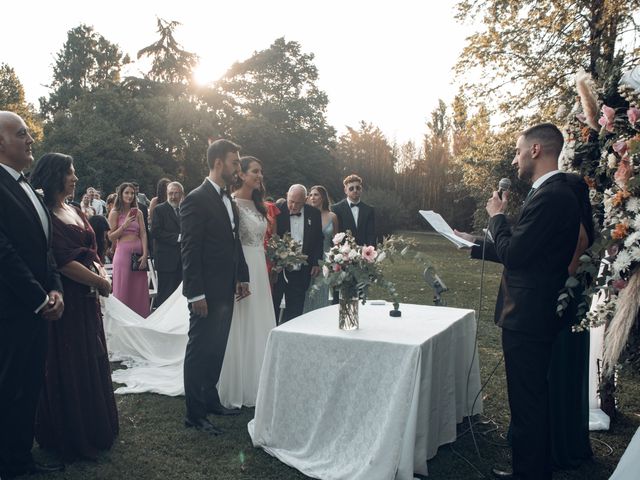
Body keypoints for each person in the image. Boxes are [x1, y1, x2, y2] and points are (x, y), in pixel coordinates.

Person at [456, 123, 580, 480]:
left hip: (528, 316)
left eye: (517, 150)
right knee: (531, 400)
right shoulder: (555, 192)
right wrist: (474, 244)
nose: (515, 158)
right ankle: (531, 470)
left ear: (536, 150)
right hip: (535, 313)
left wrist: (496, 217)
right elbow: (527, 251)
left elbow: (516, 253)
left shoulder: (551, 195)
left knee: (527, 403)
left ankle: (530, 475)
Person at [30, 153, 118, 461]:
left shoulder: (75, 209)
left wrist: (101, 275)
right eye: (70, 172)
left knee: (90, 356)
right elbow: (62, 261)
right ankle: (70, 432)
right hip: (65, 296)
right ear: (55, 175)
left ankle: (95, 425)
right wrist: (100, 283)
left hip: (88, 298)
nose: (76, 178)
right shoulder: (43, 212)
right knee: (68, 360)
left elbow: (93, 250)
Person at [0, 111, 65, 478]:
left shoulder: (29, 188)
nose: (30, 140)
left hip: (39, 307)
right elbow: (3, 253)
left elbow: (45, 248)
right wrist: (39, 298)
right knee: (9, 389)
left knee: (28, 387)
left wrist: (55, 288)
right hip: (11, 311)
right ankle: (10, 465)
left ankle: (22, 458)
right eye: (22, 133)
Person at [181, 139, 249, 435]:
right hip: (205, 292)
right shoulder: (195, 199)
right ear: (218, 163)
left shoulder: (229, 199)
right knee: (199, 349)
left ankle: (210, 400)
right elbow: (190, 251)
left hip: (226, 288)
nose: (238, 168)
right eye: (235, 162)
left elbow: (234, 242)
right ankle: (194, 415)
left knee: (217, 347)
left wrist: (242, 275)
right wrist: (196, 293)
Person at [217, 156, 277, 408]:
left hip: (260, 267)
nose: (259, 175)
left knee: (259, 319)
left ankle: (259, 377)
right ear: (241, 174)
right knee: (240, 320)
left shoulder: (259, 205)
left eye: (261, 171)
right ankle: (236, 380)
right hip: (241, 267)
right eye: (255, 171)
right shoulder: (229, 204)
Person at [547, 173, 593, 469]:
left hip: (562, 310)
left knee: (557, 377)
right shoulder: (586, 226)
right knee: (570, 377)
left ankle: (556, 446)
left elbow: (566, 272)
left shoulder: (575, 231)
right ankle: (570, 441)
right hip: (576, 312)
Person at [272, 184, 324, 323]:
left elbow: (319, 239)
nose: (293, 206)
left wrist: (316, 262)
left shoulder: (314, 214)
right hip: (279, 271)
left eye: (298, 203)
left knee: (295, 312)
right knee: (273, 307)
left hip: (301, 271)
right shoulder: (277, 212)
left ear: (306, 200)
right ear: (286, 196)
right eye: (291, 201)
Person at [108, 182, 150, 318]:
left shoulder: (138, 213)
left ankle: (141, 321)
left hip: (138, 255)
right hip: (123, 256)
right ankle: (122, 321)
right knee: (123, 288)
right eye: (127, 192)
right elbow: (110, 236)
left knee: (139, 290)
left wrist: (145, 254)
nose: (130, 195)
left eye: (132, 193)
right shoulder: (115, 213)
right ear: (120, 194)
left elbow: (143, 233)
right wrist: (124, 225)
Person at [303, 185, 338, 313]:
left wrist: (335, 263)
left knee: (321, 293)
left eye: (316, 194)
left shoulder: (332, 216)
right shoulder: (306, 215)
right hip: (309, 259)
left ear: (323, 197)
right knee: (307, 292)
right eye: (311, 195)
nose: (313, 197)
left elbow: (336, 242)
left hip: (326, 260)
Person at [150, 181, 184, 307]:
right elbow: (155, 232)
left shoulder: (184, 210)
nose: (173, 196)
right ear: (166, 194)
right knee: (165, 295)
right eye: (170, 193)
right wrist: (178, 237)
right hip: (166, 260)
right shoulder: (159, 210)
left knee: (179, 297)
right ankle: (161, 325)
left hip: (182, 260)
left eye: (176, 193)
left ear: (181, 194)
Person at [331, 174, 376, 246]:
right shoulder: (336, 209)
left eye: (358, 188)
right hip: (343, 253)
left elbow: (371, 234)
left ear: (361, 189)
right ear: (345, 190)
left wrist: (370, 252)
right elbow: (335, 235)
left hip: (364, 252)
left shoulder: (369, 210)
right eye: (351, 188)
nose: (355, 190)